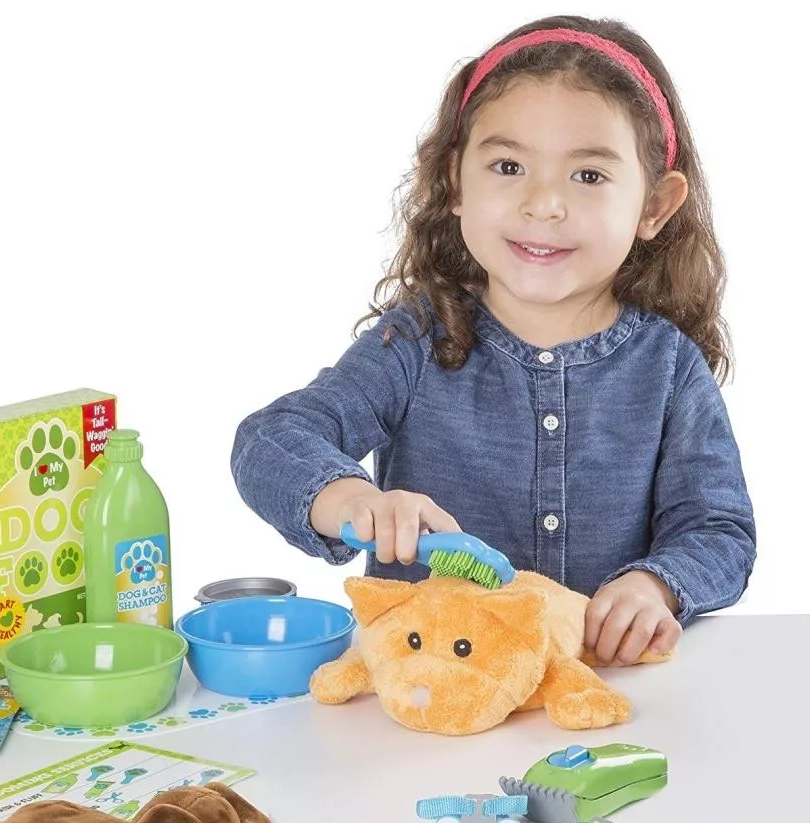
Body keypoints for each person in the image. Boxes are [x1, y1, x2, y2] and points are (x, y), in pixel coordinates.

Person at [230, 14, 756, 669]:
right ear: (455, 180)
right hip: (431, 695)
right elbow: (270, 440)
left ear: (654, 205)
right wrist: (354, 499)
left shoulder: (669, 368)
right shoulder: (415, 342)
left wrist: (656, 586)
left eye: (588, 176)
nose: (544, 204)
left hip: (599, 692)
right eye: (509, 166)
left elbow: (718, 529)